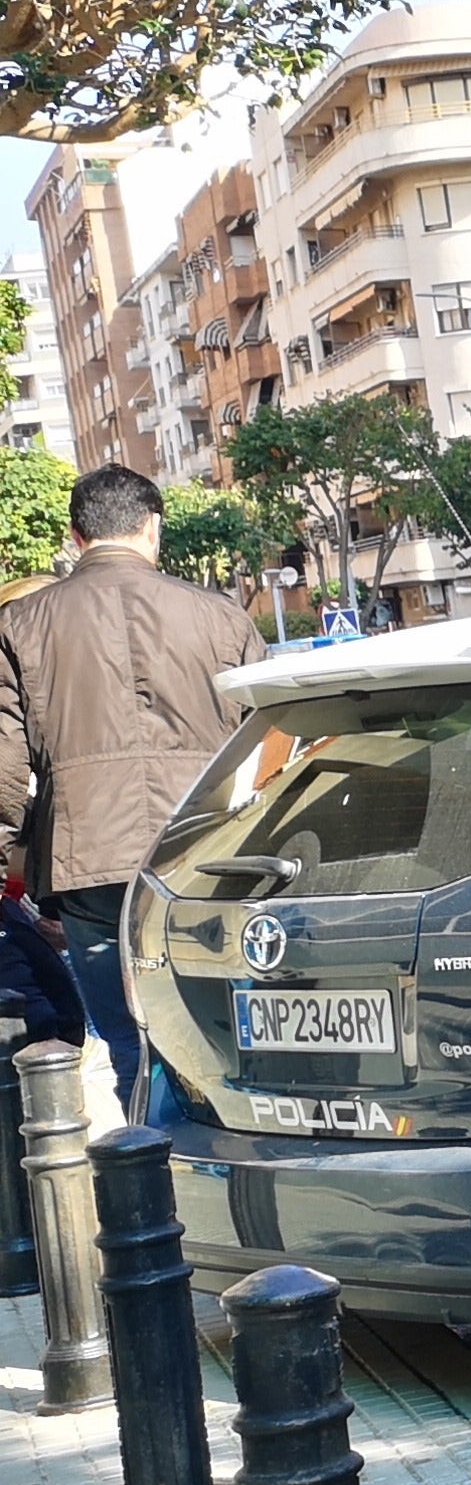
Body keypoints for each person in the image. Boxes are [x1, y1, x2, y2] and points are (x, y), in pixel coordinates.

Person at [0, 467, 265, 1106]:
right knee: (225, 1038)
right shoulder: (221, 617)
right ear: (154, 527)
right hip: (203, 856)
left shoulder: (20, 625)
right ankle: (225, 1153)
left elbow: (4, 764)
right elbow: (270, 741)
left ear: (74, 535)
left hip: (87, 860)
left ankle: (149, 1158)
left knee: (129, 1043)